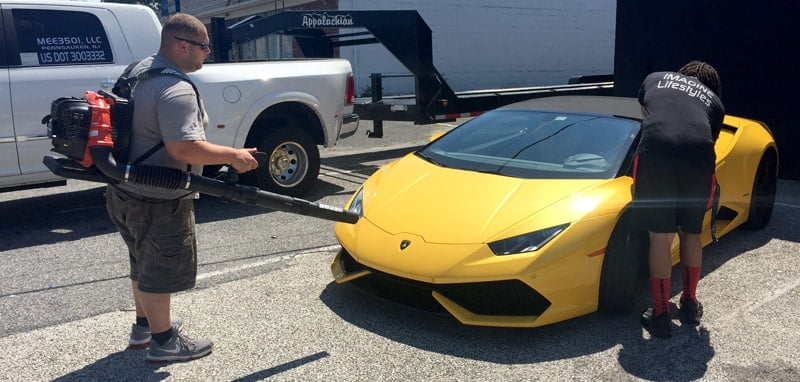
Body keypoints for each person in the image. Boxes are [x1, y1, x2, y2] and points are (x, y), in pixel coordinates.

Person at [105, 13, 259, 362]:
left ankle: (143, 327)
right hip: (161, 197)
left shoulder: (138, 71)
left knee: (142, 261)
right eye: (204, 46)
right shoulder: (175, 88)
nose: (208, 51)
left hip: (124, 190)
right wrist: (233, 155)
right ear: (182, 45)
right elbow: (182, 148)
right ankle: (164, 343)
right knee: (159, 270)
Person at [633, 61, 725, 338]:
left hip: (657, 150)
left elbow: (646, 114)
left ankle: (661, 313)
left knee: (660, 238)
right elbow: (707, 137)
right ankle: (689, 304)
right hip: (699, 157)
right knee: (691, 234)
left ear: (680, 74)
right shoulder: (715, 102)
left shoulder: (656, 78)